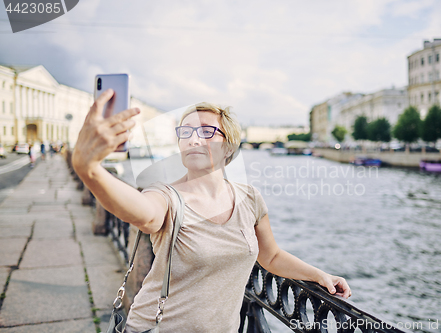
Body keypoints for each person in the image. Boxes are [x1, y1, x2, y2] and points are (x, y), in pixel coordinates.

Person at [72, 89, 351, 333]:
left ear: (228, 145)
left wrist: (318, 274)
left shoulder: (249, 198)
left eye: (206, 132)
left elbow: (271, 256)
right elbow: (142, 213)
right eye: (186, 132)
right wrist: (90, 170)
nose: (194, 139)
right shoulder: (166, 196)